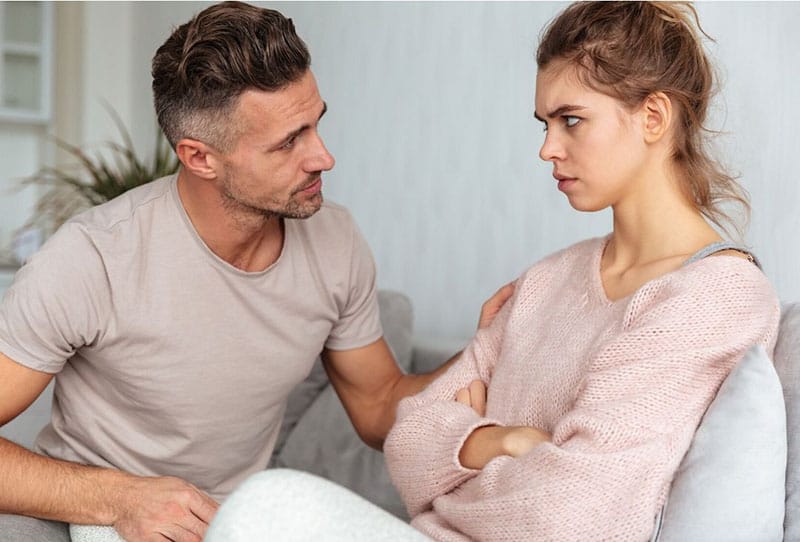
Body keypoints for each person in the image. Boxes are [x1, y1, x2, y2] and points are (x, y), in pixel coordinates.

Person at [202, 2, 781, 541]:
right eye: (544, 123)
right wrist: (502, 441)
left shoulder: (715, 295)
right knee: (265, 505)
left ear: (652, 116)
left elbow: (574, 516)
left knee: (268, 507)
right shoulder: (547, 281)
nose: (547, 148)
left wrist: (454, 472)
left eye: (571, 120)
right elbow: (407, 441)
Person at [0, 3, 510, 542]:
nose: (324, 157)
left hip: (241, 517)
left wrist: (489, 349)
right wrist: (118, 498)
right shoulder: (91, 260)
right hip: (112, 515)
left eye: (316, 125)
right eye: (289, 142)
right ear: (200, 158)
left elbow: (379, 406)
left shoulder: (335, 242)